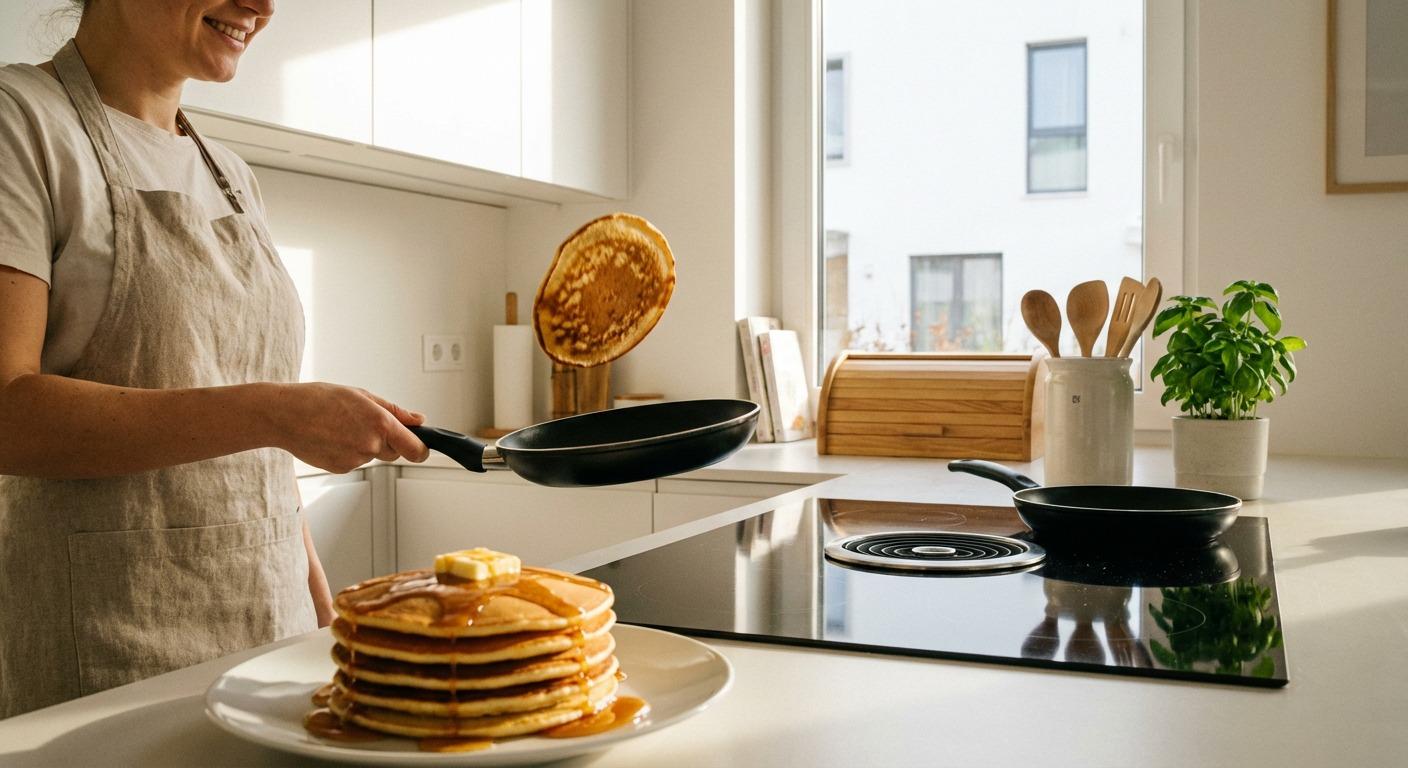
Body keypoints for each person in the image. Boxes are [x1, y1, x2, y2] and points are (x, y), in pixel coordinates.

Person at [0, 0, 431, 718]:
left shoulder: (229, 172)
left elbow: (255, 449)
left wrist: (320, 611)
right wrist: (276, 410)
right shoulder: (23, 124)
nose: (262, 7)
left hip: (268, 637)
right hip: (109, 660)